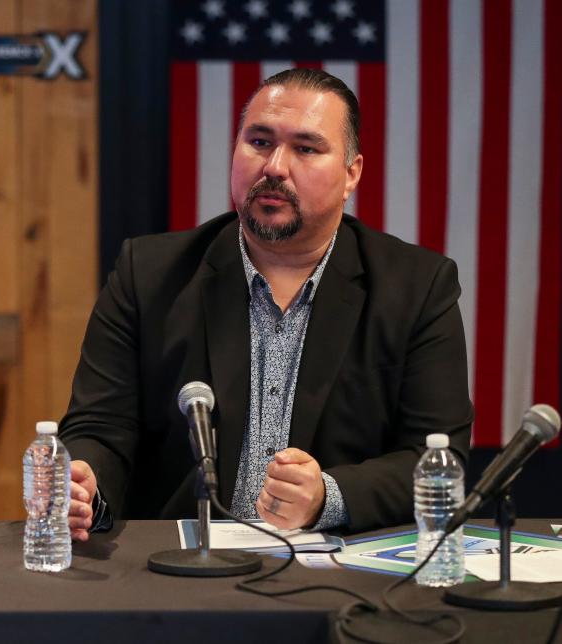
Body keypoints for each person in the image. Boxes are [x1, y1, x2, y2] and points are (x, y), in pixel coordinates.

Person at [60, 69, 473, 540]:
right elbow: (100, 425)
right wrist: (86, 483)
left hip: (338, 572)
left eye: (306, 148)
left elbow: (439, 461)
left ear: (351, 174)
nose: (275, 166)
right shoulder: (148, 274)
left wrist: (328, 496)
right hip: (174, 568)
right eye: (259, 141)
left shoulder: (417, 287)